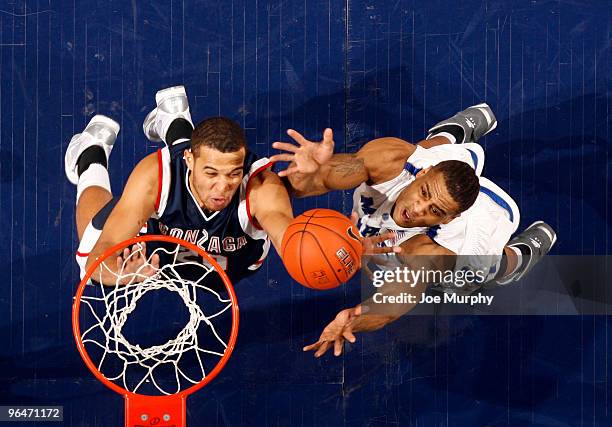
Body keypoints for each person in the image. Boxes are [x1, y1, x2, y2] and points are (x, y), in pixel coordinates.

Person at [271, 104, 556, 357]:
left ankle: (520, 256)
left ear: (447, 219)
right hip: (435, 169)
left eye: (435, 211)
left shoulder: (435, 250)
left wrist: (356, 318)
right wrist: (314, 172)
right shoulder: (395, 160)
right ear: (421, 173)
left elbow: (398, 296)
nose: (419, 209)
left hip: (475, 233)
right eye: (423, 193)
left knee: (485, 272)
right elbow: (333, 175)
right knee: (427, 147)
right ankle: (455, 132)